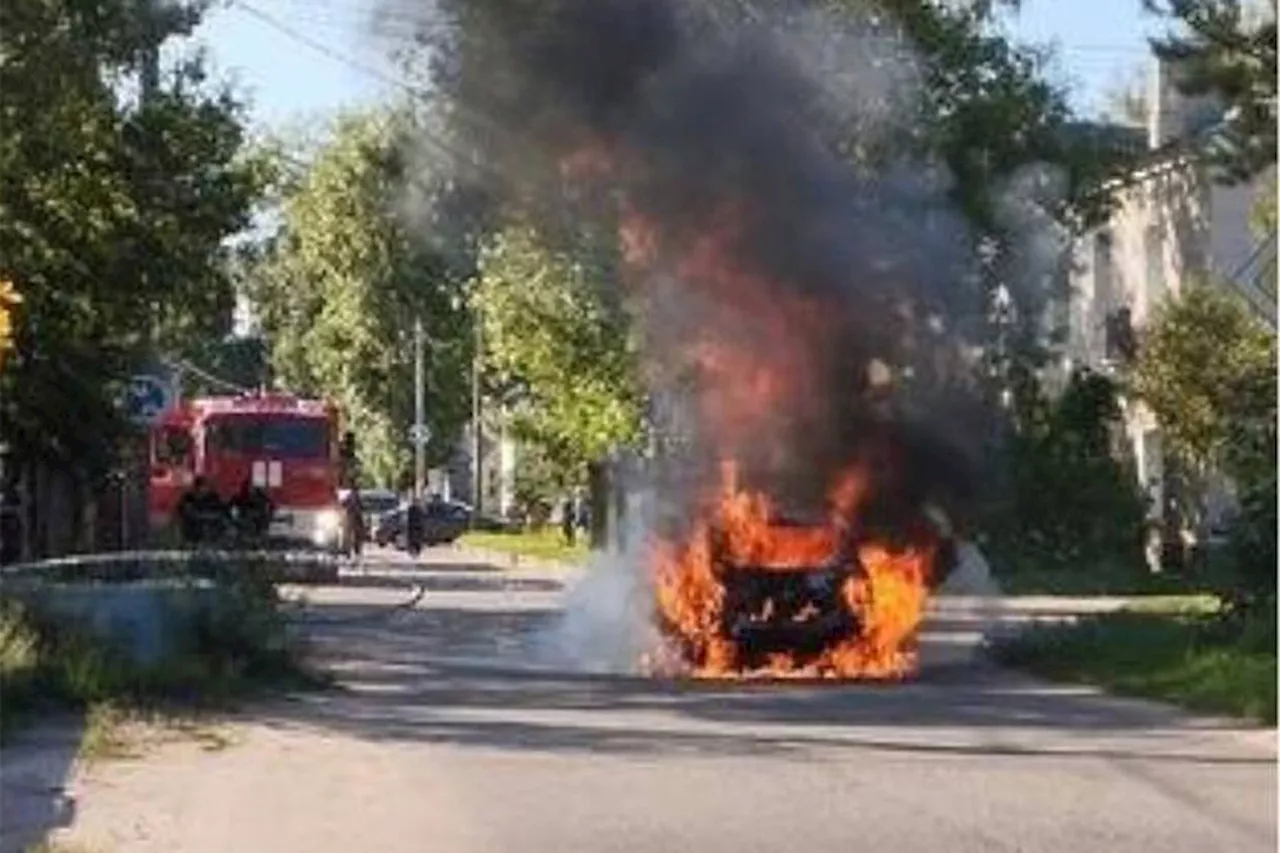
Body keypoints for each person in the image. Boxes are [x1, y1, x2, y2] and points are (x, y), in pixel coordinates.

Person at [178, 476, 227, 546]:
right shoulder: (189, 498)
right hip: (194, 531)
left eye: (205, 487)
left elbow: (221, 512)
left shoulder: (213, 498)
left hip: (212, 531)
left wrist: (205, 515)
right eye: (201, 487)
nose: (203, 489)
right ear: (196, 487)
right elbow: (185, 512)